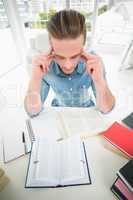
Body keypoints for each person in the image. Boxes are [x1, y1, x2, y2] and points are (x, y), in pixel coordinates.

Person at [24, 9, 115, 117]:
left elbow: (106, 110)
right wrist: (35, 78)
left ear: (83, 45)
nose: (68, 66)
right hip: (60, 112)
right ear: (51, 46)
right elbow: (33, 112)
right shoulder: (44, 65)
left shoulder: (94, 63)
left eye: (74, 56)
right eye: (60, 57)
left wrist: (99, 80)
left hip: (87, 112)